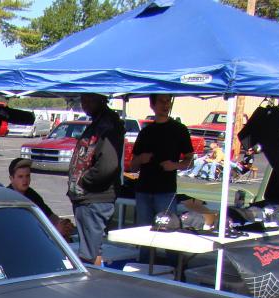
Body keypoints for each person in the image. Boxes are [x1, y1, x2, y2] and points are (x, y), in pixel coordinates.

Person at [129, 94, 193, 259]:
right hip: (143, 190)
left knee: (169, 234)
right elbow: (133, 165)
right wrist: (140, 159)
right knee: (144, 235)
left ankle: (174, 268)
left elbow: (190, 160)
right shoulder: (146, 132)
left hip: (166, 191)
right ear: (152, 105)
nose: (165, 105)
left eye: (168, 101)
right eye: (161, 101)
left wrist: (175, 165)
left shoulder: (179, 129)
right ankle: (144, 265)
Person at [66, 93, 124, 265]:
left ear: (100, 99)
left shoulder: (108, 125)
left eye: (88, 99)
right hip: (89, 198)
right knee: (92, 251)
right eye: (82, 99)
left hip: (94, 198)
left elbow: (107, 165)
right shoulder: (100, 122)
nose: (84, 104)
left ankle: (93, 280)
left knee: (89, 254)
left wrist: (84, 180)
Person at [6, 158, 75, 239]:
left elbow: (48, 215)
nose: (25, 180)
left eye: (27, 176)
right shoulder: (7, 198)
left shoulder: (31, 194)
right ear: (11, 179)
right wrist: (54, 230)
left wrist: (62, 224)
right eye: (20, 177)